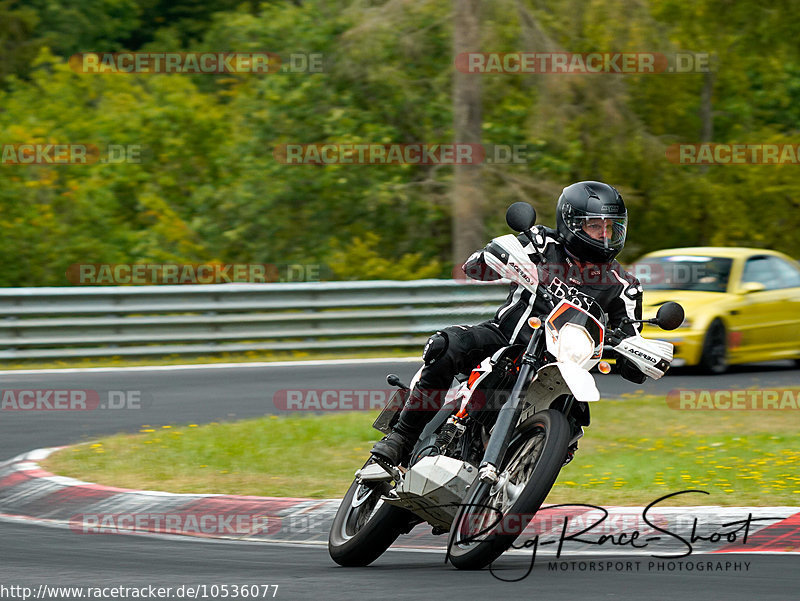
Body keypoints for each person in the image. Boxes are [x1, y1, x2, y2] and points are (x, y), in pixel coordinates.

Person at [371, 181, 650, 467]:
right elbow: (477, 266)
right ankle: (402, 438)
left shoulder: (624, 286)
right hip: (505, 337)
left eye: (611, 227)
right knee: (446, 346)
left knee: (573, 419)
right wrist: (496, 257)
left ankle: (520, 475)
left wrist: (640, 355)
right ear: (571, 224)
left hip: (560, 370)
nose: (604, 235)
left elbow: (632, 340)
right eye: (595, 226)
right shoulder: (542, 244)